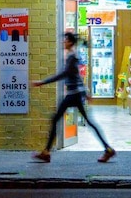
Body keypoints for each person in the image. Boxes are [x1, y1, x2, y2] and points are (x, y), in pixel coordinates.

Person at [32, 31, 116, 163]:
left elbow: (64, 74)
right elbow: (77, 75)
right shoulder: (72, 56)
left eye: (65, 40)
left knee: (55, 119)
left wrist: (43, 82)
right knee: (89, 122)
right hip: (77, 94)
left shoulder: (72, 57)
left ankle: (46, 152)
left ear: (70, 42)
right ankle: (108, 149)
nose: (63, 42)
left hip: (74, 95)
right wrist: (86, 92)